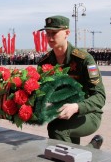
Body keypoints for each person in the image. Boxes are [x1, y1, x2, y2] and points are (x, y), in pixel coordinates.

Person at [37, 15, 106, 149]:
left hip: (88, 113)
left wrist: (77, 107)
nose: (50, 37)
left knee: (57, 129)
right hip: (63, 113)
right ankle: (92, 148)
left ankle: (91, 148)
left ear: (67, 33)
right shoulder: (44, 62)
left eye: (54, 33)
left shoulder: (84, 60)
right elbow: (40, 92)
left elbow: (100, 97)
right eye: (47, 33)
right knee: (72, 148)